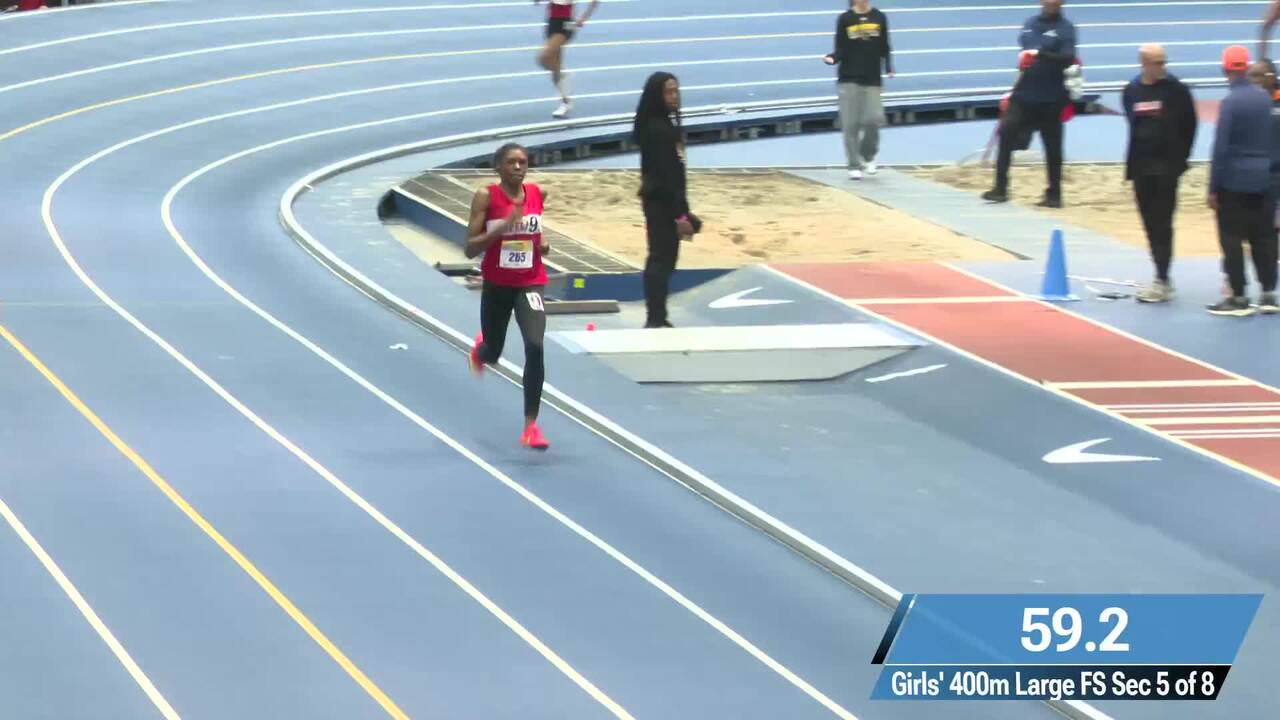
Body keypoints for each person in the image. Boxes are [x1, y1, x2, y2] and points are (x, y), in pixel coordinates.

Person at [465, 143, 552, 449]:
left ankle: (531, 427)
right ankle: (481, 352)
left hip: (530, 282)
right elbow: (470, 248)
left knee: (536, 346)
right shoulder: (486, 196)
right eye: (511, 162)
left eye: (523, 162)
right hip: (497, 284)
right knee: (493, 350)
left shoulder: (537, 194)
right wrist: (502, 226)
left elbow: (534, 232)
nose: (518, 167)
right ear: (498, 167)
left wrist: (541, 245)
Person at [1122, 44, 1198, 303]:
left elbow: (1190, 124)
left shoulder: (1176, 90)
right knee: (1149, 223)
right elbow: (1132, 123)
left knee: (1163, 222)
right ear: (1144, 63)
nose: (1162, 67)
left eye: (1164, 62)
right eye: (1157, 62)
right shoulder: (1132, 90)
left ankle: (1163, 278)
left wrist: (1180, 157)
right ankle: (1160, 272)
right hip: (1141, 168)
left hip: (1166, 168)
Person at [983, 0, 1077, 208]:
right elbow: (1024, 55)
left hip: (1051, 98)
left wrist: (1041, 54)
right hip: (1023, 95)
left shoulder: (1066, 28)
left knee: (1052, 146)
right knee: (1006, 133)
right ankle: (1000, 188)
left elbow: (1068, 58)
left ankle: (1054, 195)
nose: (1051, 2)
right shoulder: (1030, 24)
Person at [1208, 46, 1277, 316]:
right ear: (1247, 68)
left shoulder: (1230, 103)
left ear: (1224, 70)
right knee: (1264, 237)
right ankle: (1268, 294)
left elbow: (1221, 148)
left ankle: (1238, 297)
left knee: (1231, 239)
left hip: (1234, 181)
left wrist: (1213, 187)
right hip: (1263, 178)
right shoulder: (1264, 99)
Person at [633, 72, 701, 329]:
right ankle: (655, 318)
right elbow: (667, 177)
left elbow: (676, 174)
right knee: (660, 260)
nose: (674, 97)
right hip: (661, 203)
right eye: (669, 92)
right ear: (657, 96)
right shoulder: (658, 131)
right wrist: (680, 216)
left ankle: (659, 315)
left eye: (676, 91)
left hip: (667, 201)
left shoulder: (665, 126)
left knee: (665, 259)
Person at [823, 0, 894, 180]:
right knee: (850, 124)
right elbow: (840, 48)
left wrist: (889, 67)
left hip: (872, 78)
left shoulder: (879, 17)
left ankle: (868, 155)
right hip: (848, 78)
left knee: (874, 119)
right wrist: (832, 58)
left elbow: (885, 46)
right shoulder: (845, 19)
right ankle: (854, 165)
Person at [1247, 58, 1280, 313]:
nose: (1252, 81)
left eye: (1257, 76)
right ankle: (1266, 287)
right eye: (1251, 76)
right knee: (1260, 234)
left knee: (1268, 234)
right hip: (1255, 178)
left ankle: (1268, 289)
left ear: (1270, 77)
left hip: (1275, 177)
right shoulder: (1250, 104)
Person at [534, 0, 599, 119]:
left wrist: (583, 18)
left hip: (565, 25)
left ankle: (564, 76)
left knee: (543, 58)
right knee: (556, 69)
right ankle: (566, 103)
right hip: (551, 23)